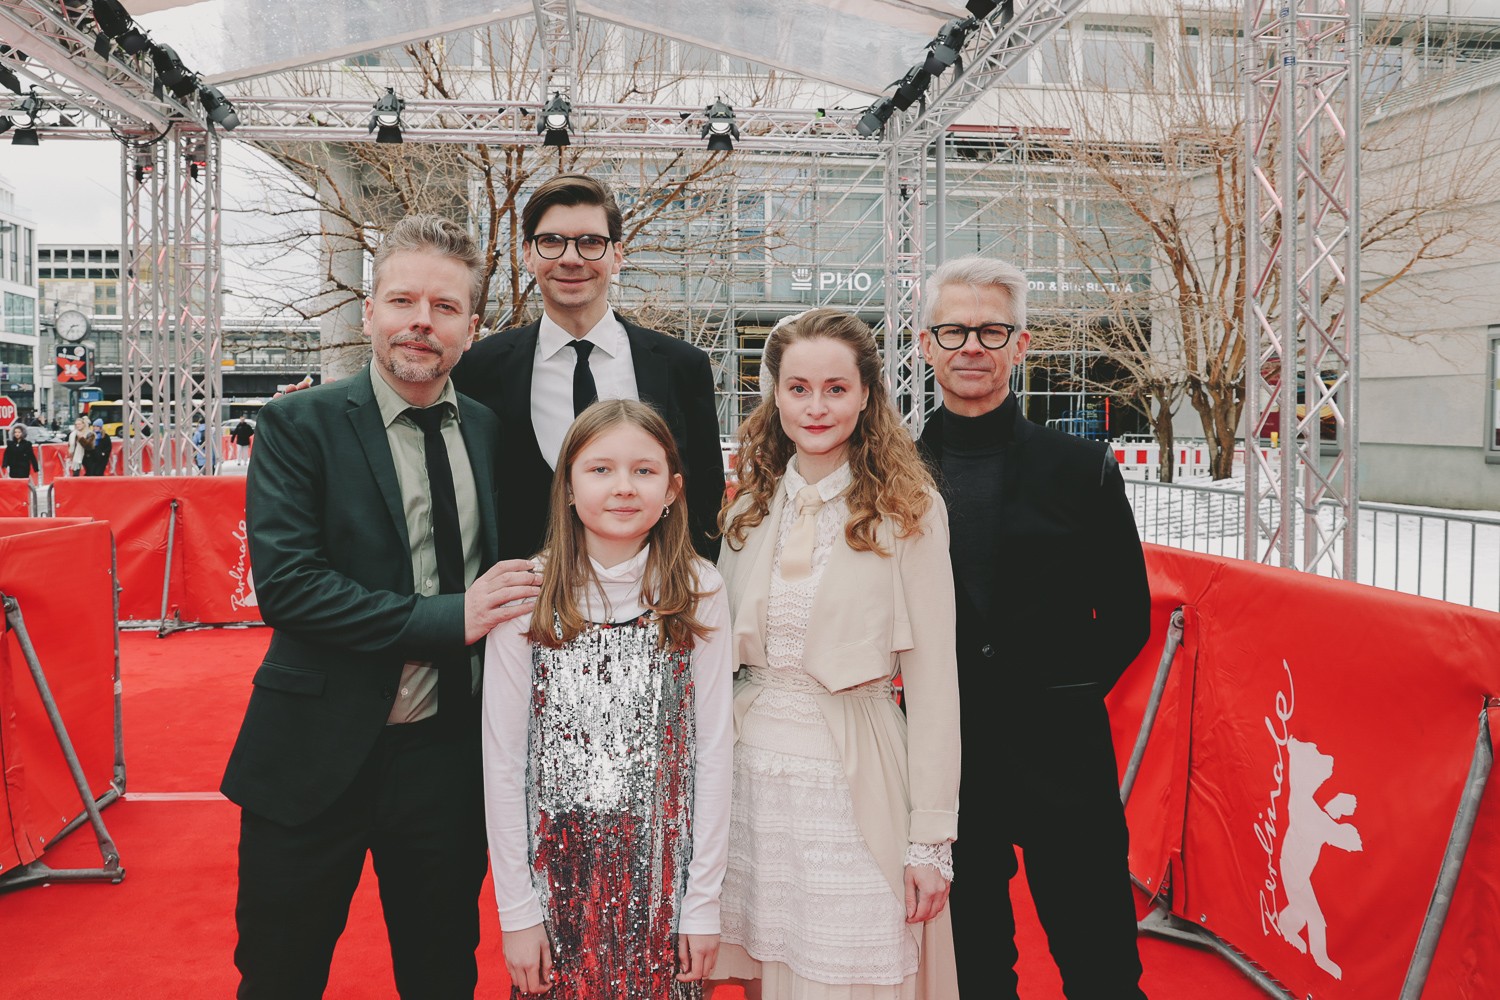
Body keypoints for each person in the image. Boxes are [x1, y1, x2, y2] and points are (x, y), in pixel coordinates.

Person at [219, 214, 542, 999]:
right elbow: (290, 588)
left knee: (440, 973)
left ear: (473, 325)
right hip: (312, 755)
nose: (420, 323)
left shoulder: (492, 432)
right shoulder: (300, 424)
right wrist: (448, 619)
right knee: (278, 974)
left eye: (443, 307)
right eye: (401, 301)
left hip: (445, 764)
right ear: (370, 313)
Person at [914, 256, 1152, 1000]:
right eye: (953, 330)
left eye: (992, 329)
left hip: (1063, 754)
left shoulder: (1082, 467)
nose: (971, 346)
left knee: (1101, 961)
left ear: (1021, 345)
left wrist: (1061, 692)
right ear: (927, 344)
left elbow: (1127, 615)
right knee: (976, 967)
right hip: (946, 765)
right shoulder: (893, 473)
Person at [710, 308, 960, 1000]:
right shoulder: (746, 511)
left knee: (848, 976)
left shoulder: (912, 511)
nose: (815, 406)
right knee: (765, 972)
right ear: (775, 395)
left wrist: (931, 840)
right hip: (750, 786)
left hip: (854, 785)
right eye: (798, 388)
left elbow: (937, 683)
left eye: (835, 388)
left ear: (866, 395)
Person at [482, 398, 734, 999]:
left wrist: (701, 903)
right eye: (600, 470)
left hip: (664, 887)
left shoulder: (700, 589)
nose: (624, 488)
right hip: (554, 885)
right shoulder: (526, 594)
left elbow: (714, 751)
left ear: (673, 489)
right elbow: (503, 762)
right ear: (566, 486)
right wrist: (516, 911)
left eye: (644, 471)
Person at [451, 173, 725, 561]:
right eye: (551, 241)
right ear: (528, 254)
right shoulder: (477, 369)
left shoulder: (682, 367)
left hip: (656, 602)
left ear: (617, 256)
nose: (571, 258)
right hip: (525, 606)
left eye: (591, 242)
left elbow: (704, 501)